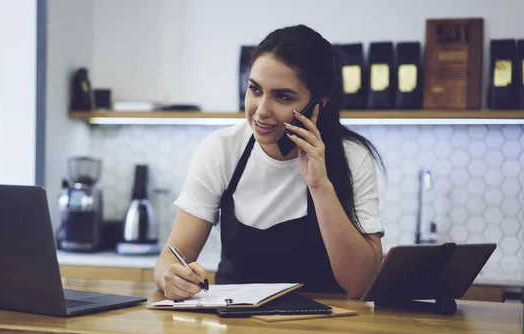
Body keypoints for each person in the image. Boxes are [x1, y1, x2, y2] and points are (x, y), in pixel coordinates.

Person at [154, 24, 385, 300]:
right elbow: (170, 258)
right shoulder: (222, 149)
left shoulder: (352, 157)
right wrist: (171, 278)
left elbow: (360, 284)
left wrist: (320, 185)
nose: (261, 111)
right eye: (255, 89)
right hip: (235, 326)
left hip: (325, 330)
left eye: (283, 96)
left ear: (319, 103)